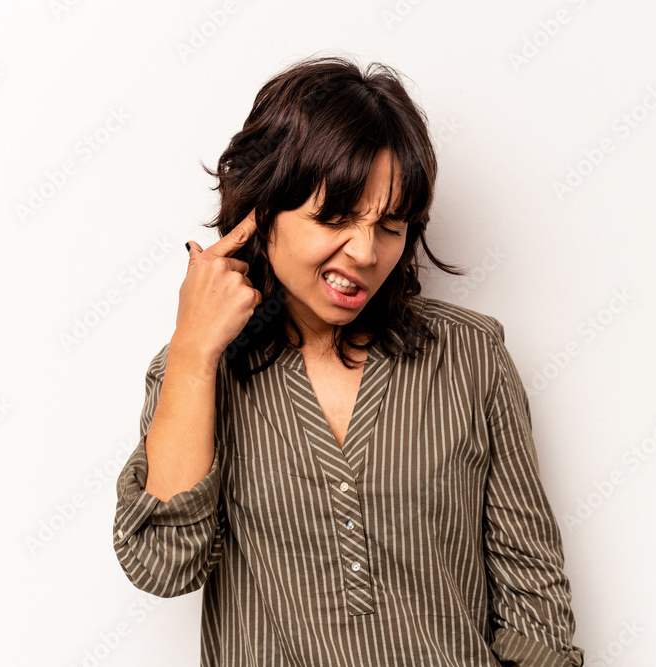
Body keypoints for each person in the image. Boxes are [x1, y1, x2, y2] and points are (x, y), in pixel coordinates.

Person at [112, 54, 586, 666]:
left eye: (390, 225)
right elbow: (162, 565)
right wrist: (195, 351)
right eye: (334, 218)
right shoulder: (192, 371)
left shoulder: (471, 356)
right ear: (262, 212)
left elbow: (534, 596)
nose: (365, 252)